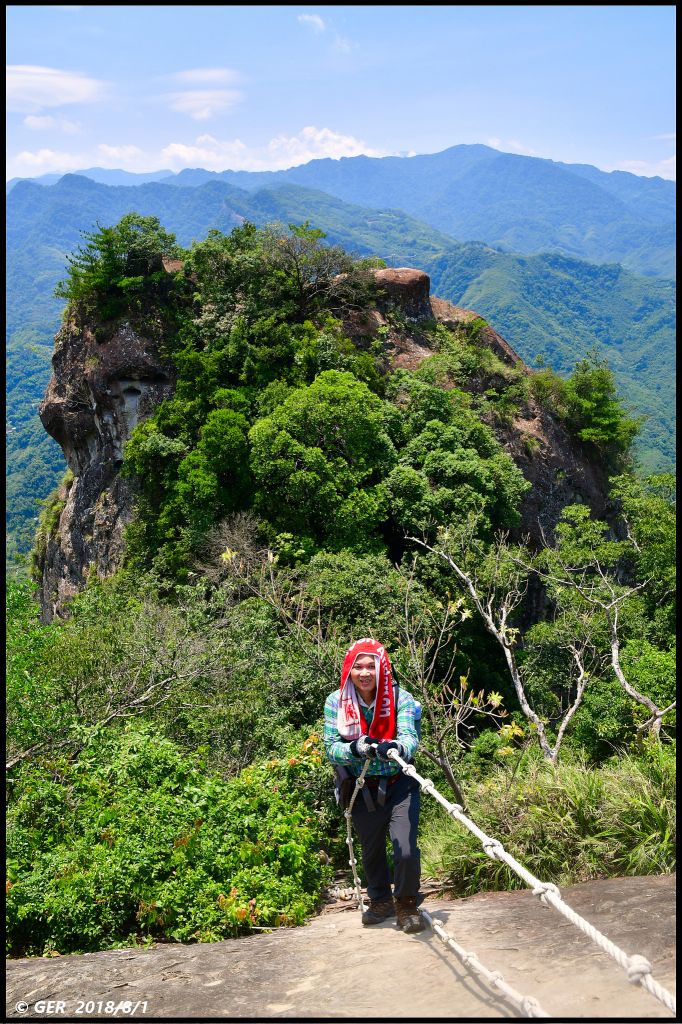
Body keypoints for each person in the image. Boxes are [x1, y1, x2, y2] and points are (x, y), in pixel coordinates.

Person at [323, 638, 425, 934]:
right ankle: (379, 900)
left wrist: (396, 747)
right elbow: (331, 747)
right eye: (358, 666)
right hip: (361, 786)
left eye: (371, 666)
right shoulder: (336, 702)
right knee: (371, 849)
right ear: (349, 669)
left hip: (398, 783)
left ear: (382, 669)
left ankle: (406, 903)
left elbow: (410, 738)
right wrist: (357, 748)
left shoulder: (400, 699)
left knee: (405, 849)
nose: (365, 673)